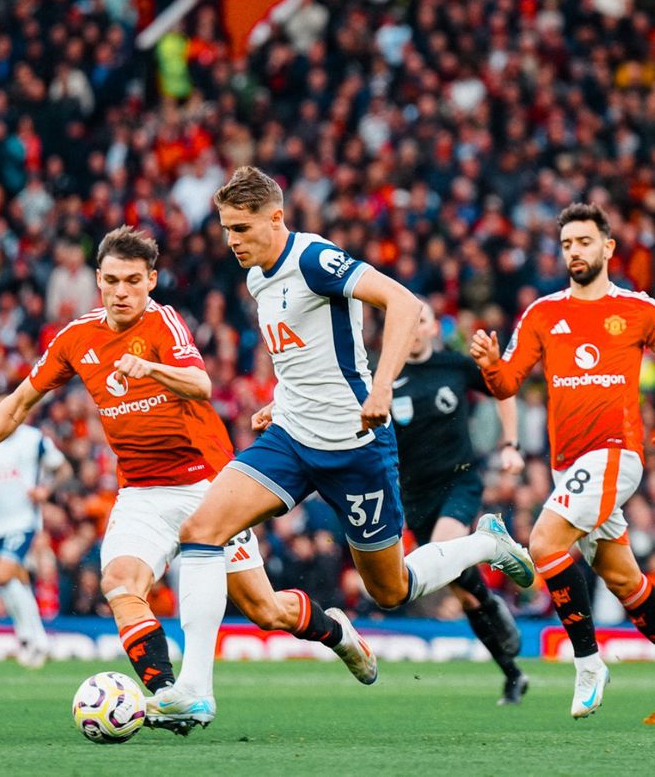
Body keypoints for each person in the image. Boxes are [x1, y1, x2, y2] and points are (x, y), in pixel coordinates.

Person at [147, 167, 535, 728]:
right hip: (291, 439)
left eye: (241, 228)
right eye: (226, 228)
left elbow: (402, 302)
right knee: (201, 530)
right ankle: (195, 690)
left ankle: (484, 543)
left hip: (355, 447)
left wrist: (381, 388)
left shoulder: (313, 259)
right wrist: (281, 400)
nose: (231, 240)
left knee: (391, 589)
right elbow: (303, 353)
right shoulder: (257, 276)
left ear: (276, 218)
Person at [0, 226, 375, 727]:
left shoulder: (164, 323)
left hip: (208, 486)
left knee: (265, 610)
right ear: (97, 280)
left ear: (151, 280)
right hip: (141, 492)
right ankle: (172, 695)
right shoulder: (77, 337)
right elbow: (19, 403)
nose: (120, 292)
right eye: (111, 281)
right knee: (120, 582)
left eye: (132, 281)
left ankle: (338, 633)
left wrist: (150, 369)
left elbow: (201, 384)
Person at [471, 202, 655, 718]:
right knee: (625, 581)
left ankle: (589, 663)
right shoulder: (542, 313)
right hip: (567, 466)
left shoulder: (639, 309)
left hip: (615, 453)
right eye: (568, 243)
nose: (575, 251)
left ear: (608, 247)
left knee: (544, 542)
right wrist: (490, 365)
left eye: (584, 241)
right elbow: (507, 382)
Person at [392, 300, 528, 705]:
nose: (414, 328)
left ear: (434, 328)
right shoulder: (385, 375)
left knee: (443, 550)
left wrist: (511, 443)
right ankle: (512, 673)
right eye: (407, 321)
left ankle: (490, 596)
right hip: (414, 494)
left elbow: (503, 386)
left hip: (459, 480)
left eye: (421, 321)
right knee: (464, 593)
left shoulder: (453, 366)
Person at [0, 411, 71, 667]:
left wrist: (46, 490)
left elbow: (64, 469)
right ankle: (31, 639)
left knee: (2, 575)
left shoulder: (34, 439)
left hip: (23, 521)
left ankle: (31, 638)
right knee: (14, 582)